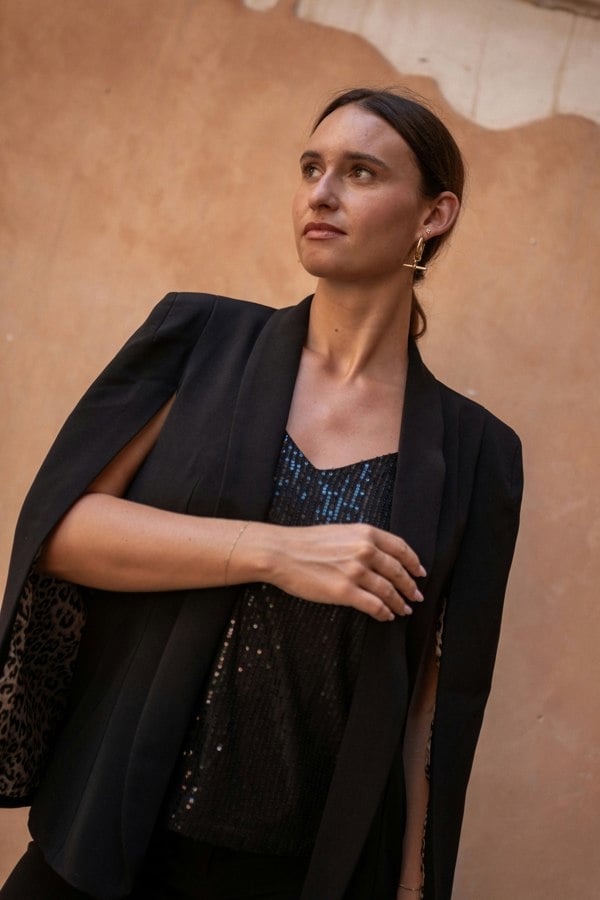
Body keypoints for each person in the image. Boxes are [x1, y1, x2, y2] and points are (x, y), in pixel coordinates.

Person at [0, 88, 523, 900]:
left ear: (434, 215)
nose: (321, 192)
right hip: (100, 843)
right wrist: (279, 553)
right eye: (312, 167)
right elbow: (63, 532)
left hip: (287, 873)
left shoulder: (477, 452)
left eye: (360, 171)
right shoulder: (199, 341)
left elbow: (432, 716)